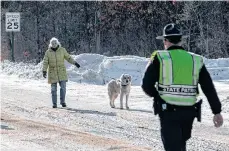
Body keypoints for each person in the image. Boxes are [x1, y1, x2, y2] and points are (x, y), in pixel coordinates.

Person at [141, 23, 223, 151]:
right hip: (188, 112)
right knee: (180, 145)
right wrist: (216, 111)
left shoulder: (160, 58)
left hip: (168, 111)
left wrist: (157, 96)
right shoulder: (195, 60)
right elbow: (208, 87)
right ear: (180, 40)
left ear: (165, 41)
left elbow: (146, 85)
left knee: (173, 147)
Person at [43, 37, 81, 108]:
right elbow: (45, 62)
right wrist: (44, 71)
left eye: (55, 43)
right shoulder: (48, 52)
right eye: (52, 43)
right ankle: (54, 103)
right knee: (53, 89)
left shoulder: (62, 50)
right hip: (52, 72)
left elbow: (68, 58)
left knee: (63, 87)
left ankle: (62, 102)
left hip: (61, 71)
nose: (54, 44)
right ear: (50, 44)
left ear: (57, 43)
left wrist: (75, 63)